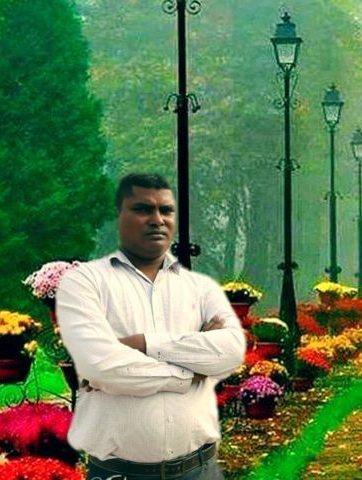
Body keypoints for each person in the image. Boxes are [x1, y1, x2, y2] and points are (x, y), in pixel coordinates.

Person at [57, 173, 246, 480]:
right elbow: (102, 367)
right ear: (119, 215)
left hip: (201, 470)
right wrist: (190, 372)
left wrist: (144, 344)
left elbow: (231, 351)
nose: (157, 220)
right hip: (118, 473)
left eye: (166, 210)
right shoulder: (85, 283)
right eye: (143, 209)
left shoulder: (201, 289)